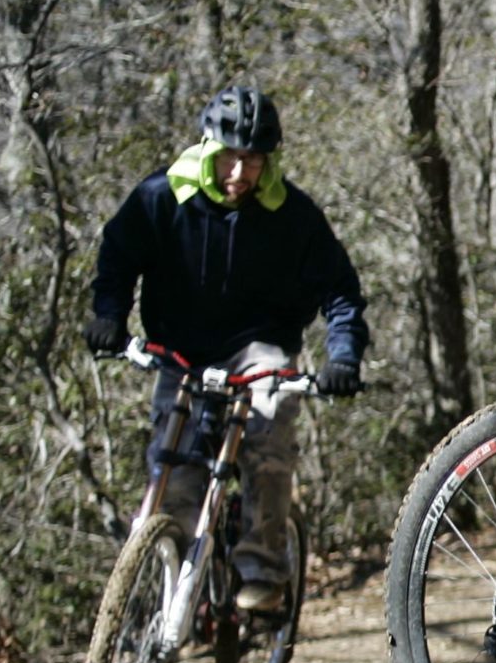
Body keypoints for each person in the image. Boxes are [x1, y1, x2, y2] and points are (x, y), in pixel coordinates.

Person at [85, 86, 369, 613]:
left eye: (253, 160)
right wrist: (108, 316)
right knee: (173, 462)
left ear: (270, 161)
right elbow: (118, 255)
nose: (239, 173)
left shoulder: (293, 215)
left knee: (269, 424)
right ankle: (173, 568)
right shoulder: (161, 198)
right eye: (230, 158)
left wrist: (344, 356)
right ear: (207, 150)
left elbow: (340, 292)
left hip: (257, 350)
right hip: (182, 352)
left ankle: (262, 565)